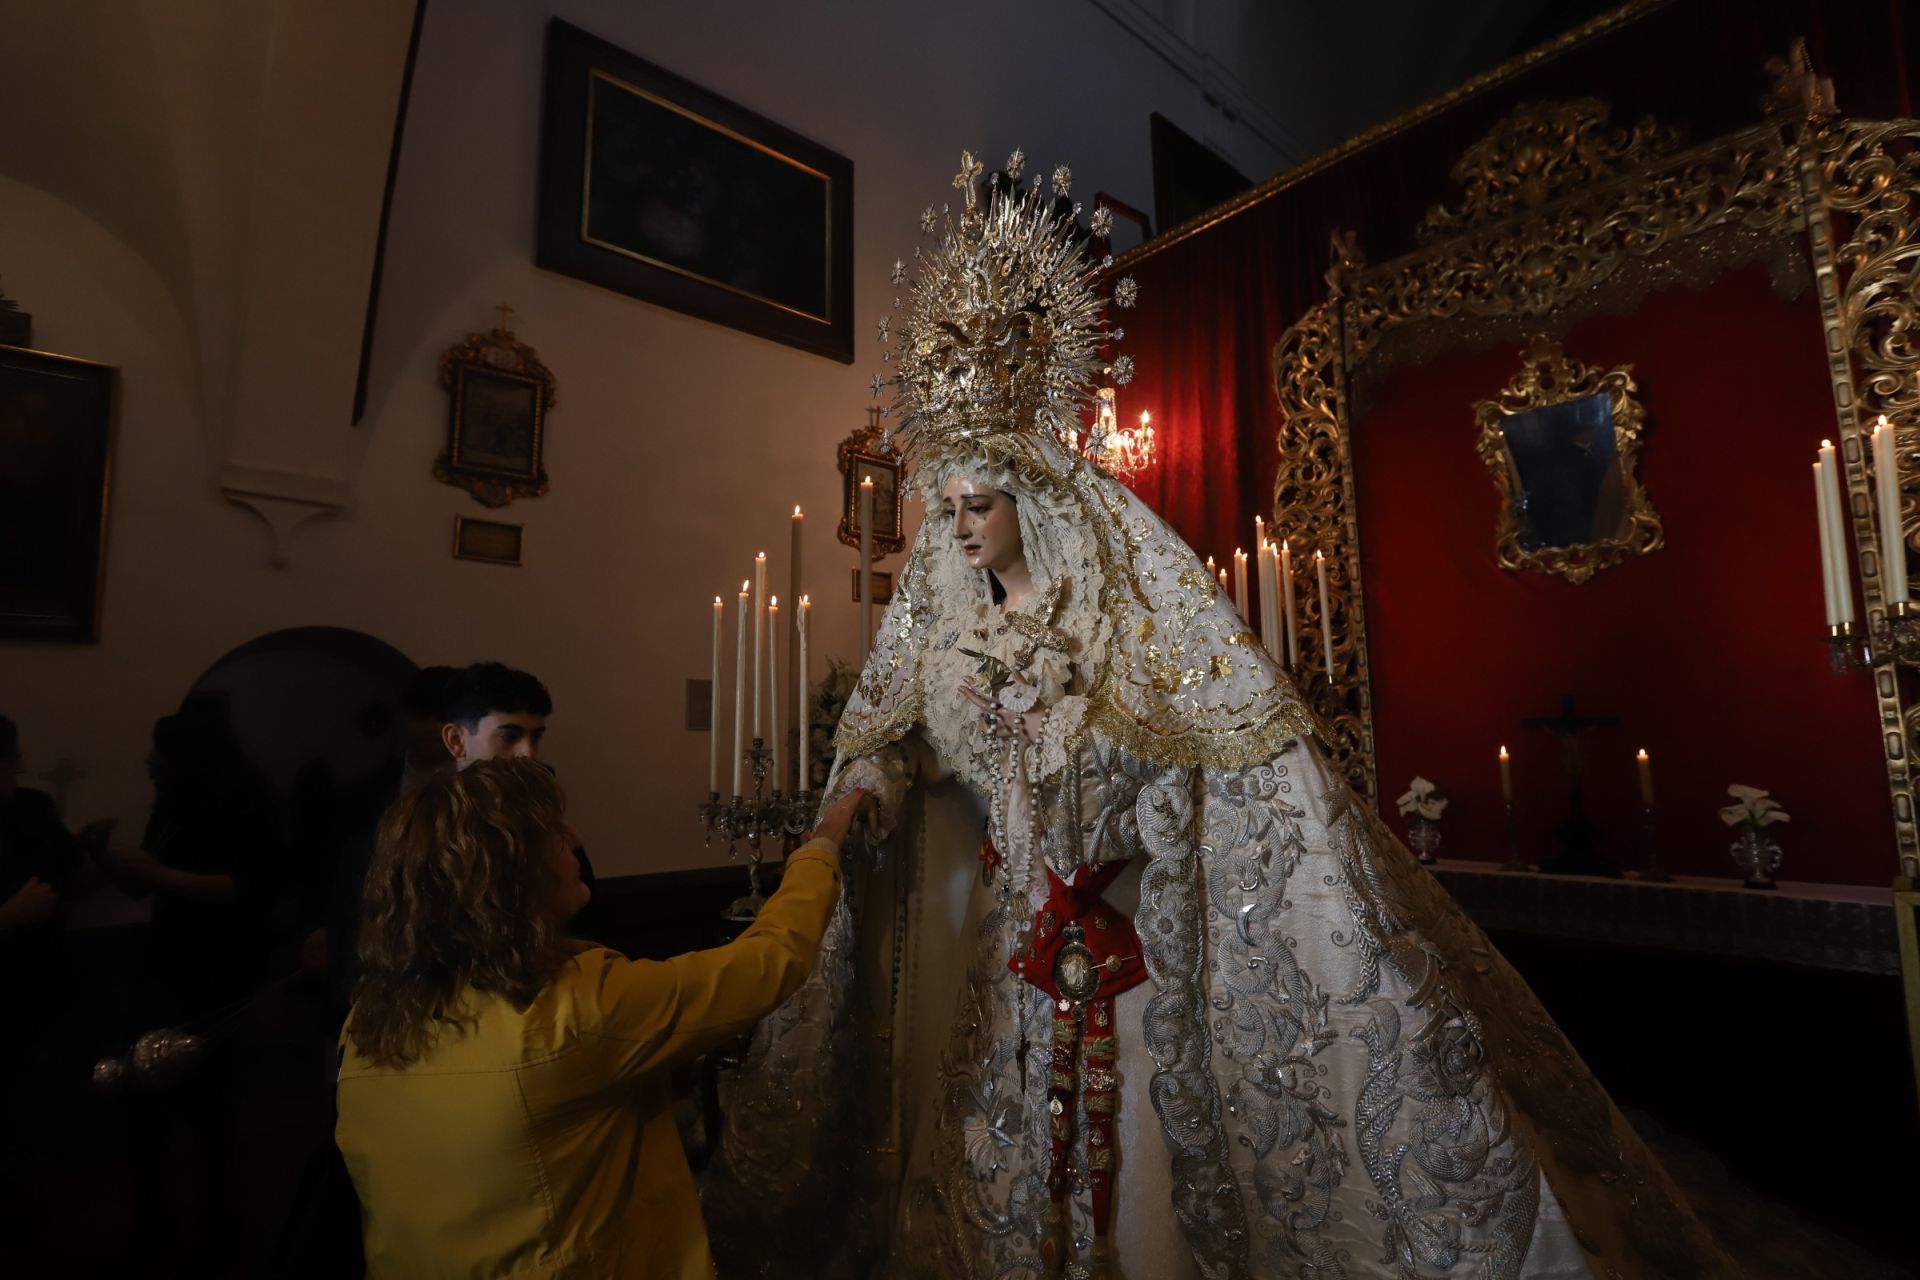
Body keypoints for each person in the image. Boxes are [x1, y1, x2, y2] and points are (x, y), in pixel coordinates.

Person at [705, 152, 1731, 1278]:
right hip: (993, 963)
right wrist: (868, 792)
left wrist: (1105, 798)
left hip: (1126, 950)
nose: (955, 531)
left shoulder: (1129, 621)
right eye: (945, 507)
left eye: (978, 505)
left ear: (1036, 501)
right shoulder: (941, 629)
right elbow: (893, 741)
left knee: (1142, 1193)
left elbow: (1214, 776)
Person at [335, 758, 859, 1278]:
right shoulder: (570, 1009)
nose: (577, 839)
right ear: (511, 876)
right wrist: (819, 850)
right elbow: (765, 964)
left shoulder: (366, 1022)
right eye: (555, 835)